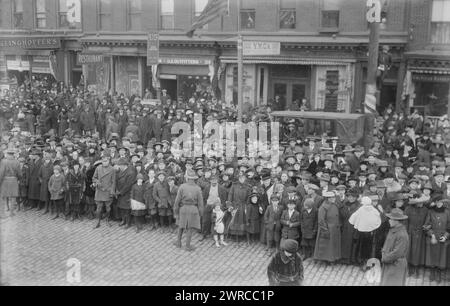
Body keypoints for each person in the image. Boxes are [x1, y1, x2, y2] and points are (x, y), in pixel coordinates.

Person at [173, 169, 204, 251]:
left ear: (187, 178)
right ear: (194, 179)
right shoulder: (198, 188)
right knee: (190, 227)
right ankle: (187, 245)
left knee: (181, 225)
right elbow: (201, 203)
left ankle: (178, 242)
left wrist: (176, 211)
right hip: (193, 209)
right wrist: (200, 214)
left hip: (183, 208)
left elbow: (177, 201)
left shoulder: (182, 186)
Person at [380, 208, 410, 286]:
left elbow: (397, 253)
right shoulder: (393, 229)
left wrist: (385, 258)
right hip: (390, 263)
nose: (389, 220)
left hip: (396, 265)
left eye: (391, 219)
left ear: (397, 221)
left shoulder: (402, 235)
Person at [423, 197, 450, 283]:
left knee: (441, 256)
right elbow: (426, 225)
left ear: (443, 202)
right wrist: (432, 235)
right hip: (433, 237)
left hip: (443, 237)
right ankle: (432, 272)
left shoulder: (447, 212)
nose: (439, 203)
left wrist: (446, 236)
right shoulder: (430, 212)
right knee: (432, 255)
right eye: (437, 202)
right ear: (435, 202)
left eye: (440, 202)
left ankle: (438, 273)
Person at [92, 155, 116, 229]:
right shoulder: (98, 168)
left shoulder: (112, 169)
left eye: (106, 161)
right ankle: (98, 221)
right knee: (98, 208)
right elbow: (94, 178)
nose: (104, 162)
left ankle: (107, 219)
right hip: (99, 191)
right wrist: (97, 182)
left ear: (109, 161)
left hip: (107, 191)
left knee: (108, 208)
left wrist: (112, 192)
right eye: (103, 161)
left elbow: (113, 182)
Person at [0, 148, 21, 214]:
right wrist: (18, 179)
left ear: (7, 154)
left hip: (5, 180)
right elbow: (19, 174)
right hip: (14, 180)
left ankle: (3, 212)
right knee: (13, 197)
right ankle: (12, 212)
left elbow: (1, 173)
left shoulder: (3, 161)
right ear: (13, 154)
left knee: (3, 196)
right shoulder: (17, 162)